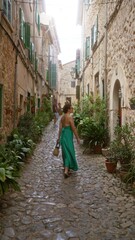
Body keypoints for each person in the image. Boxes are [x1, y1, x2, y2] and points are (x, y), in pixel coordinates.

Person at [57, 103, 80, 178]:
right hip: (68, 137)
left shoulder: (62, 117)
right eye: (71, 108)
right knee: (70, 152)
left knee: (65, 153)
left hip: (63, 137)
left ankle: (67, 168)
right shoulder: (70, 117)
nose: (72, 109)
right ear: (68, 109)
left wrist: (58, 138)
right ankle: (66, 171)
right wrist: (77, 138)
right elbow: (73, 129)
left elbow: (60, 129)